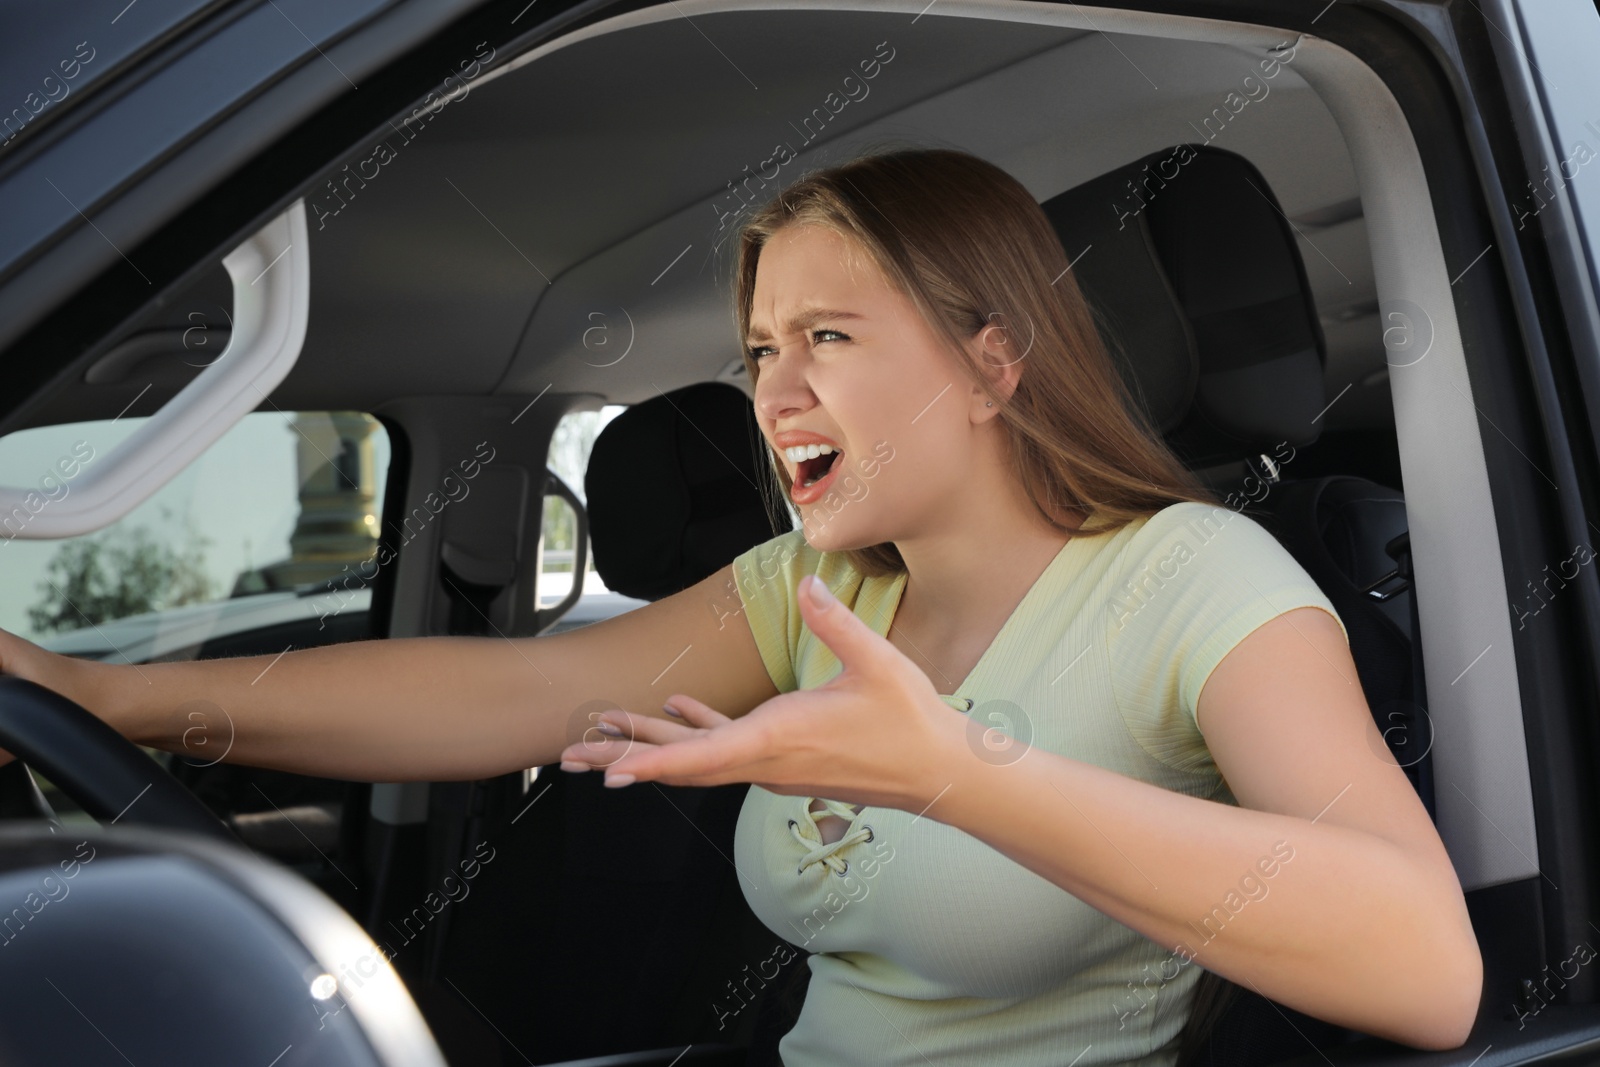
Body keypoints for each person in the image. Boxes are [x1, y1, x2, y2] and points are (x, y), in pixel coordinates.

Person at [0, 147, 1479, 1067]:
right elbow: (504, 696)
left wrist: (962, 778)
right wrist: (112, 700)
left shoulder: (1198, 579)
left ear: (992, 363)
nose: (772, 393)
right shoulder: (820, 588)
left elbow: (1425, 969)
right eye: (760, 347)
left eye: (827, 336)